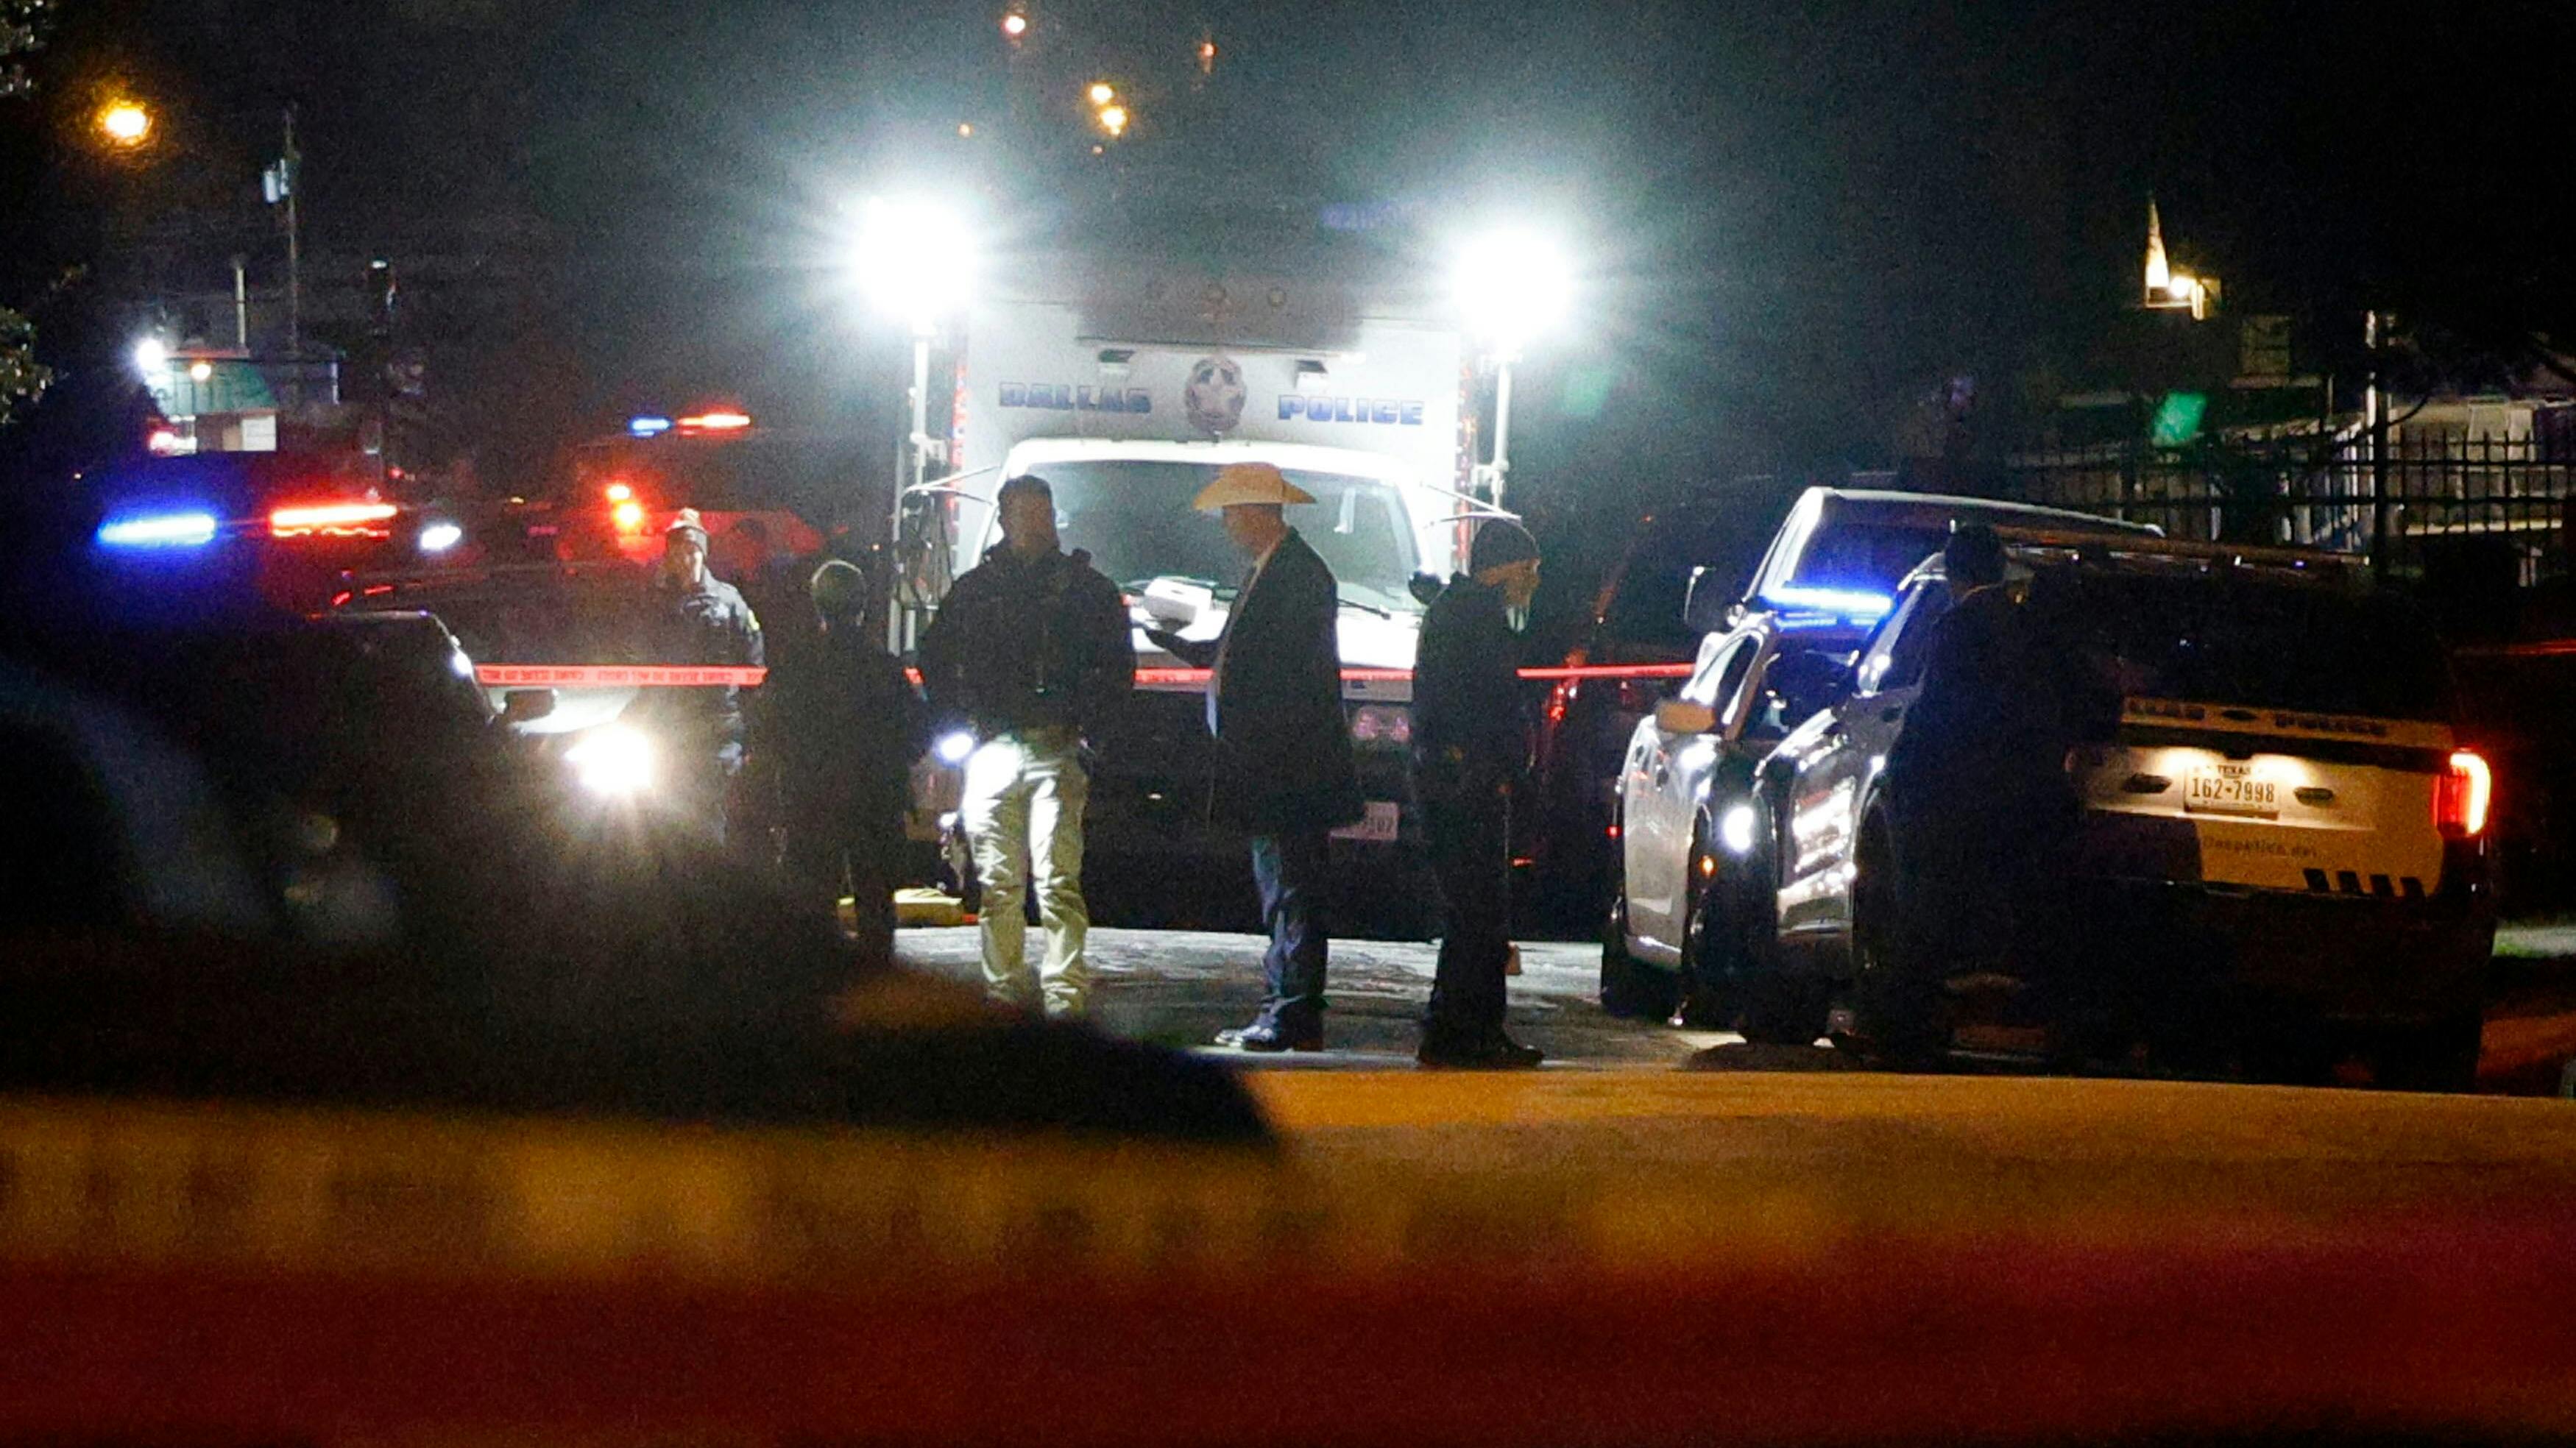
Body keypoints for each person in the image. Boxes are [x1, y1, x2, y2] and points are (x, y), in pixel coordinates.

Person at [1147, 462, 1362, 1052]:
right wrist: (1180, 644)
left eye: (1231, 514)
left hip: (1288, 773)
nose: (1226, 526)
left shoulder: (1297, 576)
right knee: (1284, 895)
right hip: (1278, 770)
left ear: (1255, 512)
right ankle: (1283, 1008)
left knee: (1293, 895)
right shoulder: (1273, 571)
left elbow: (1285, 678)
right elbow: (1238, 653)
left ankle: (1290, 1014)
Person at [916, 475, 1134, 1018]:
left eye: (1042, 514)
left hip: (1054, 747)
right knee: (997, 883)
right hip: (995, 749)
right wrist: (955, 723)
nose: (1035, 525)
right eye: (1025, 514)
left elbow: (1116, 671)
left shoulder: (1084, 590)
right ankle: (1005, 992)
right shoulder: (980, 589)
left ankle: (1062, 993)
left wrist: (1089, 737)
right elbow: (936, 657)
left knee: (1058, 880)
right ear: (1007, 518)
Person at [1877, 523, 2081, 1055]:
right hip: (2029, 795)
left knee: (1924, 917)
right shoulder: (2031, 630)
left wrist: (1905, 769)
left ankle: (1908, 1034)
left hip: (1958, 795)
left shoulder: (1958, 627)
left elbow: (1938, 713)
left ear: (1952, 572)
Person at [1410, 519, 1548, 1068]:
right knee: (1480, 913)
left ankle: (1453, 1030)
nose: (1533, 583)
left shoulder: (1458, 610)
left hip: (1457, 778)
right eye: (1530, 571)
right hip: (1466, 783)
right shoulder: (1475, 617)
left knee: (1471, 913)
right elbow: (1476, 705)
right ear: (1507, 566)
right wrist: (1489, 765)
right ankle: (1473, 1031)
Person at [768, 558, 927, 968]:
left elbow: (768, 731)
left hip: (811, 799)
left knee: (812, 898)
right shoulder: (885, 669)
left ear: (817, 605)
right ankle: (877, 990)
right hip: (875, 800)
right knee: (876, 902)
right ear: (862, 605)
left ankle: (816, 989)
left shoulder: (795, 667)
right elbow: (916, 737)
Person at [638, 508, 764, 846]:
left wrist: (752, 731)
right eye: (679, 550)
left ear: (704, 553)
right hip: (670, 730)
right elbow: (640, 662)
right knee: (665, 818)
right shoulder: (656, 604)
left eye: (693, 549)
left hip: (719, 729)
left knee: (711, 819)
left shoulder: (729, 601)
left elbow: (753, 667)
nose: (687, 557)